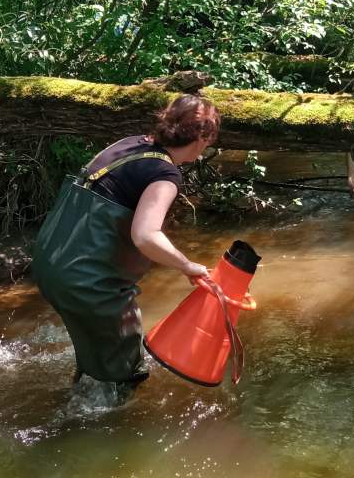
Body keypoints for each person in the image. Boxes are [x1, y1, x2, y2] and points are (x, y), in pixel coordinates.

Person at [31, 94, 219, 399]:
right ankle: (92, 431)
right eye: (208, 141)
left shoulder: (130, 144)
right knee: (125, 373)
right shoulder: (165, 174)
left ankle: (82, 395)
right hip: (87, 280)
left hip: (50, 264)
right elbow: (145, 236)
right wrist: (187, 265)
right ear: (201, 137)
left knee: (97, 355)